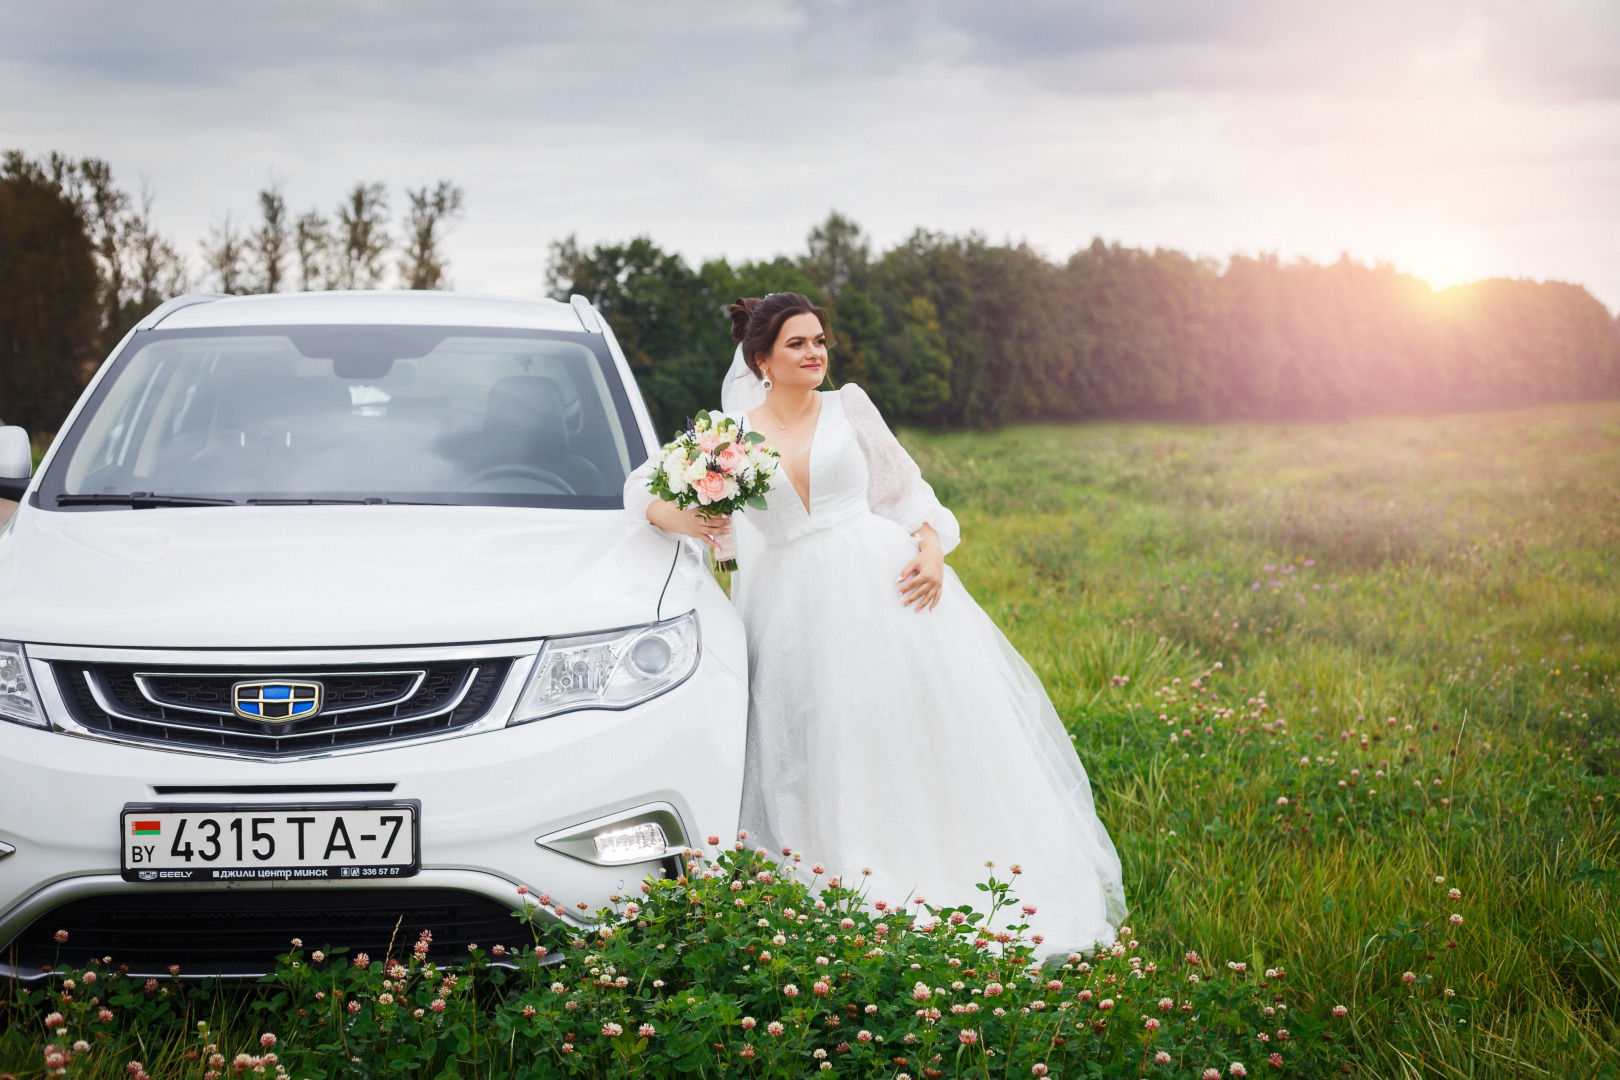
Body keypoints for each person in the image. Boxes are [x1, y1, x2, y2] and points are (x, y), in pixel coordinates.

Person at [625, 292, 1126, 954]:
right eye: (798, 343)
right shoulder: (728, 438)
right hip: (790, 604)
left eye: (820, 340)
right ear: (761, 359)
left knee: (909, 725)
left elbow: (906, 491)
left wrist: (930, 549)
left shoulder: (849, 406)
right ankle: (844, 866)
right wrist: (685, 518)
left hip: (884, 581)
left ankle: (944, 859)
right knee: (821, 733)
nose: (816, 353)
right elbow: (645, 492)